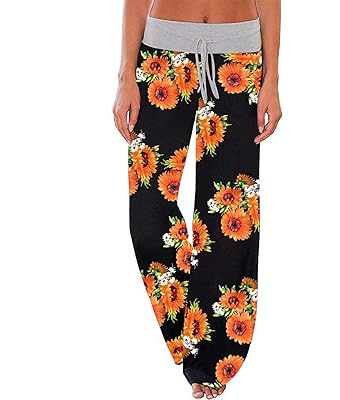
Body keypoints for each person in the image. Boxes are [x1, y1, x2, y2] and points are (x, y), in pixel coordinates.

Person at [112, 1, 282, 398]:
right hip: (162, 57)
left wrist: (272, 78)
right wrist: (125, 74)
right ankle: (192, 332)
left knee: (231, 213)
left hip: (238, 60)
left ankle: (212, 358)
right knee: (149, 214)